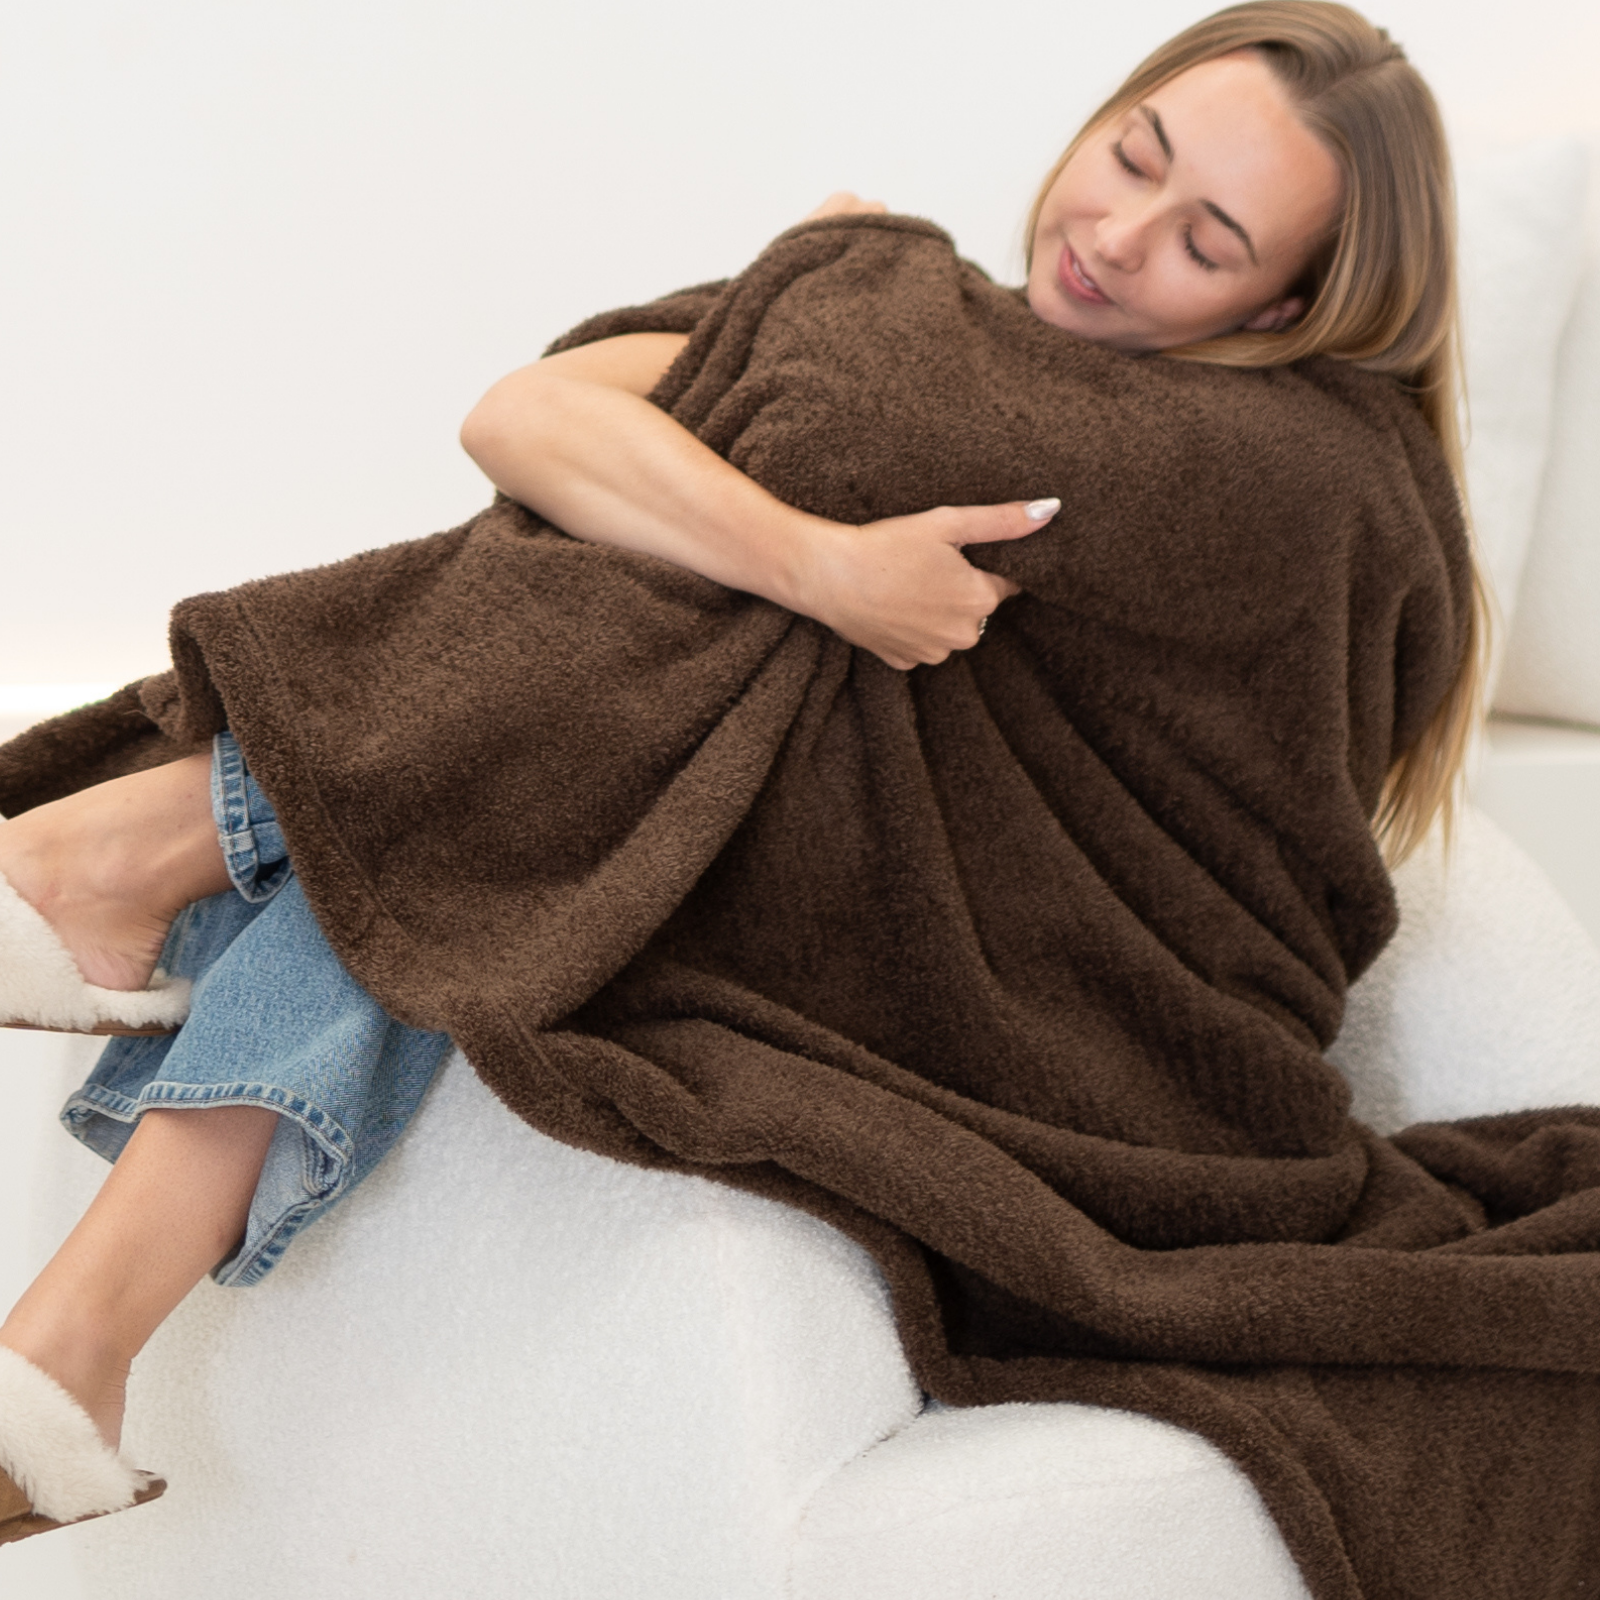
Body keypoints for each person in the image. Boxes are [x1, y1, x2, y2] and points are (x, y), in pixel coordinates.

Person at [0, 0, 1479, 1550]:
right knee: (504, 786)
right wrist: (822, 559)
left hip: (1057, 1004)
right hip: (797, 855)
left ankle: (110, 862)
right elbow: (523, 419)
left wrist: (842, 290)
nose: (1117, 232)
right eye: (1133, 154)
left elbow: (799, 423)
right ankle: (61, 1362)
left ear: (1282, 305)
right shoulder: (921, 328)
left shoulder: (1304, 469)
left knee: (611, 643)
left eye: (1206, 241)